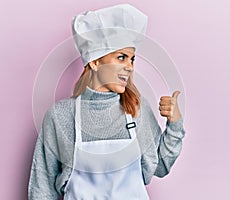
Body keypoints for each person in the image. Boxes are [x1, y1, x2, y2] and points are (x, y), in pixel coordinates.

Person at [28, 4, 185, 200]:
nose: (129, 67)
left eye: (132, 59)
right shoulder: (60, 116)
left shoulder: (136, 109)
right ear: (94, 62)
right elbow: (42, 188)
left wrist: (175, 124)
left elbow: (160, 165)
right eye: (121, 58)